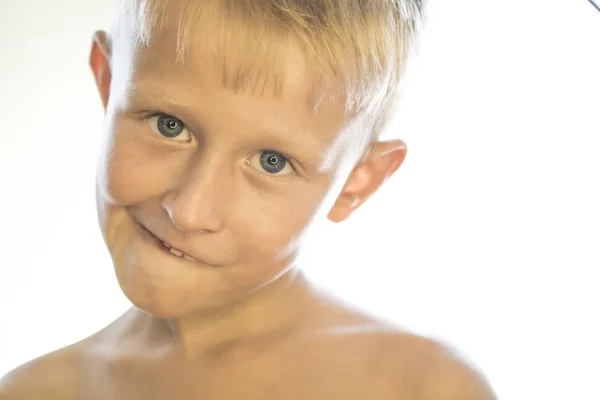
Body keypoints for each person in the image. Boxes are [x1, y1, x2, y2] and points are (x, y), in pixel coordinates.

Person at [0, 0, 496, 398]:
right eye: (168, 126)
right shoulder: (32, 392)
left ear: (357, 183)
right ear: (109, 84)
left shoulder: (421, 388)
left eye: (271, 162)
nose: (189, 209)